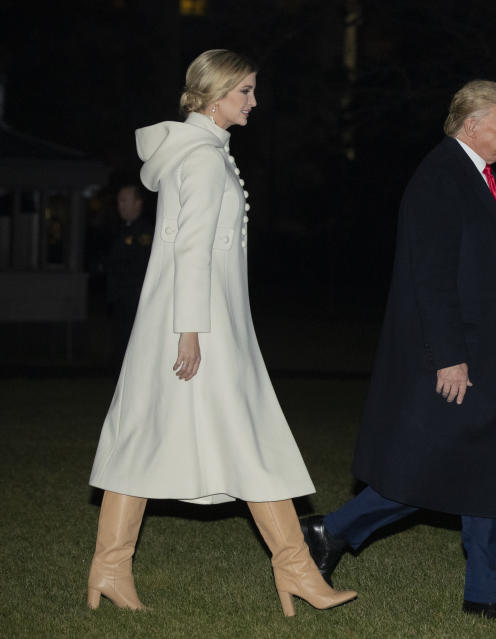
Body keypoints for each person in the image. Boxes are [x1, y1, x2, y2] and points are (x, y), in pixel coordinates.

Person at [86, 49, 357, 617]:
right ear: (214, 96)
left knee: (153, 434)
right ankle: (296, 572)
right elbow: (191, 248)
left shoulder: (203, 151)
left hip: (202, 321)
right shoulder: (204, 159)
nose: (254, 103)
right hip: (198, 325)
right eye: (245, 93)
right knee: (239, 436)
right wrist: (190, 331)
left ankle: (112, 568)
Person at [300, 79, 496, 621]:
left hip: (490, 357)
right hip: (461, 357)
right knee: (437, 470)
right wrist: (449, 354)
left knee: (485, 472)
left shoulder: (484, 180)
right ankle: (329, 531)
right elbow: (428, 276)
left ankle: (489, 593)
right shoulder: (441, 177)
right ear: (472, 123)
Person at [105, 184, 152, 367]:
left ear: (138, 203)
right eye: (119, 201)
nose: (120, 205)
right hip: (120, 303)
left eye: (125, 201)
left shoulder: (145, 233)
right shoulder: (120, 229)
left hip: (135, 304)